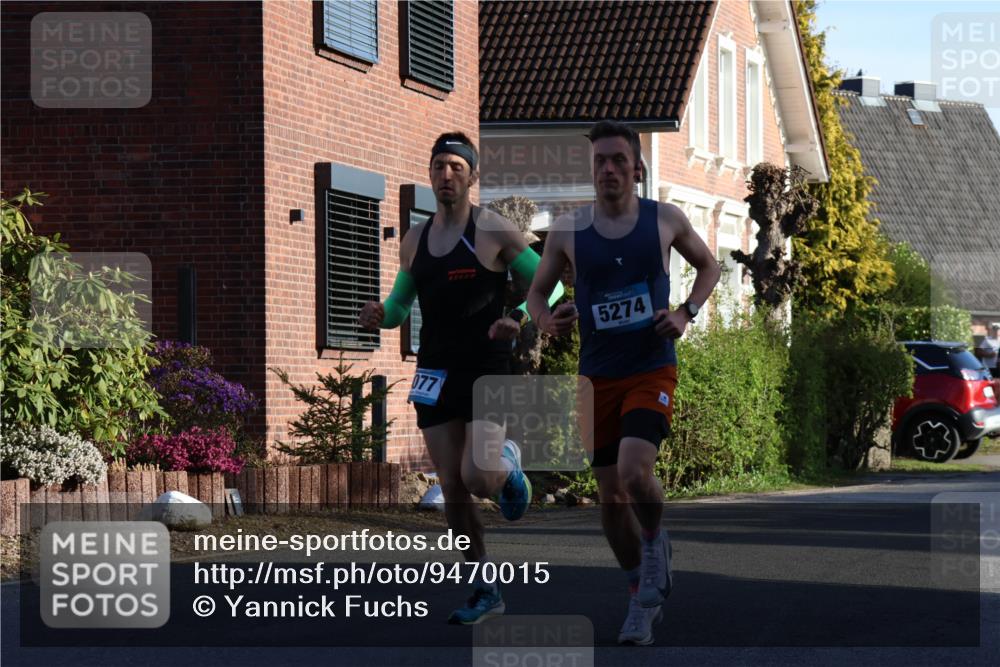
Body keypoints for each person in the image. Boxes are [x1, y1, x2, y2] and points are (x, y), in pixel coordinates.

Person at [526, 120, 721, 645]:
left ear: (637, 168)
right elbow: (536, 295)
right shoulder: (568, 231)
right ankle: (639, 597)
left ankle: (655, 543)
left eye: (617, 160)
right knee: (610, 497)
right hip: (597, 376)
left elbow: (709, 266)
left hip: (651, 365)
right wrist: (547, 320)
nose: (608, 169)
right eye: (599, 162)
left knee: (635, 471)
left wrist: (686, 312)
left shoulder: (664, 220)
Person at [358, 132, 564, 625]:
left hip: (486, 367)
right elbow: (400, 306)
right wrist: (379, 314)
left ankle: (509, 467)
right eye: (438, 167)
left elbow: (548, 285)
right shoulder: (416, 240)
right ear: (429, 175)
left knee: (478, 475)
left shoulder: (491, 230)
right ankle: (483, 586)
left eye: (455, 166)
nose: (445, 175)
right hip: (434, 372)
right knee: (451, 487)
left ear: (472, 176)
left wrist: (518, 315)